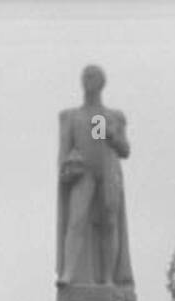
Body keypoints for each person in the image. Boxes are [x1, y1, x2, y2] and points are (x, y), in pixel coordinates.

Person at [56, 65, 134, 286]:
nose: (86, 80)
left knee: (109, 222)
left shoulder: (111, 116)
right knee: (76, 219)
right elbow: (65, 149)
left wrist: (112, 136)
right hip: (84, 172)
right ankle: (68, 273)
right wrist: (69, 163)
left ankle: (108, 277)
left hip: (107, 170)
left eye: (91, 77)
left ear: (101, 82)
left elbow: (124, 149)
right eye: (84, 76)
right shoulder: (72, 116)